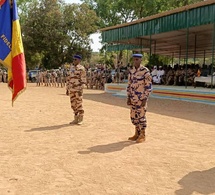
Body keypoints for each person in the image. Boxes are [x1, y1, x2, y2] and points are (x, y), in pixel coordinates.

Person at [127, 53, 152, 143]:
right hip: (133, 98)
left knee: (141, 116)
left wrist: (145, 99)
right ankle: (137, 132)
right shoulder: (132, 71)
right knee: (133, 116)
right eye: (134, 59)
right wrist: (128, 97)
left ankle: (142, 134)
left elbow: (148, 86)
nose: (135, 61)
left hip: (141, 98)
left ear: (141, 60)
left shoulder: (145, 72)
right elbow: (129, 85)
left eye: (137, 59)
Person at [66, 55, 86, 125]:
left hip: (78, 89)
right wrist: (67, 88)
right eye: (73, 59)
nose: (74, 61)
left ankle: (81, 118)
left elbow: (83, 79)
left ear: (79, 60)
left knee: (79, 103)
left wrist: (81, 88)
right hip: (71, 89)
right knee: (73, 104)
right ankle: (75, 118)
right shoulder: (71, 68)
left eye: (75, 59)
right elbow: (68, 78)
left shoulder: (81, 68)